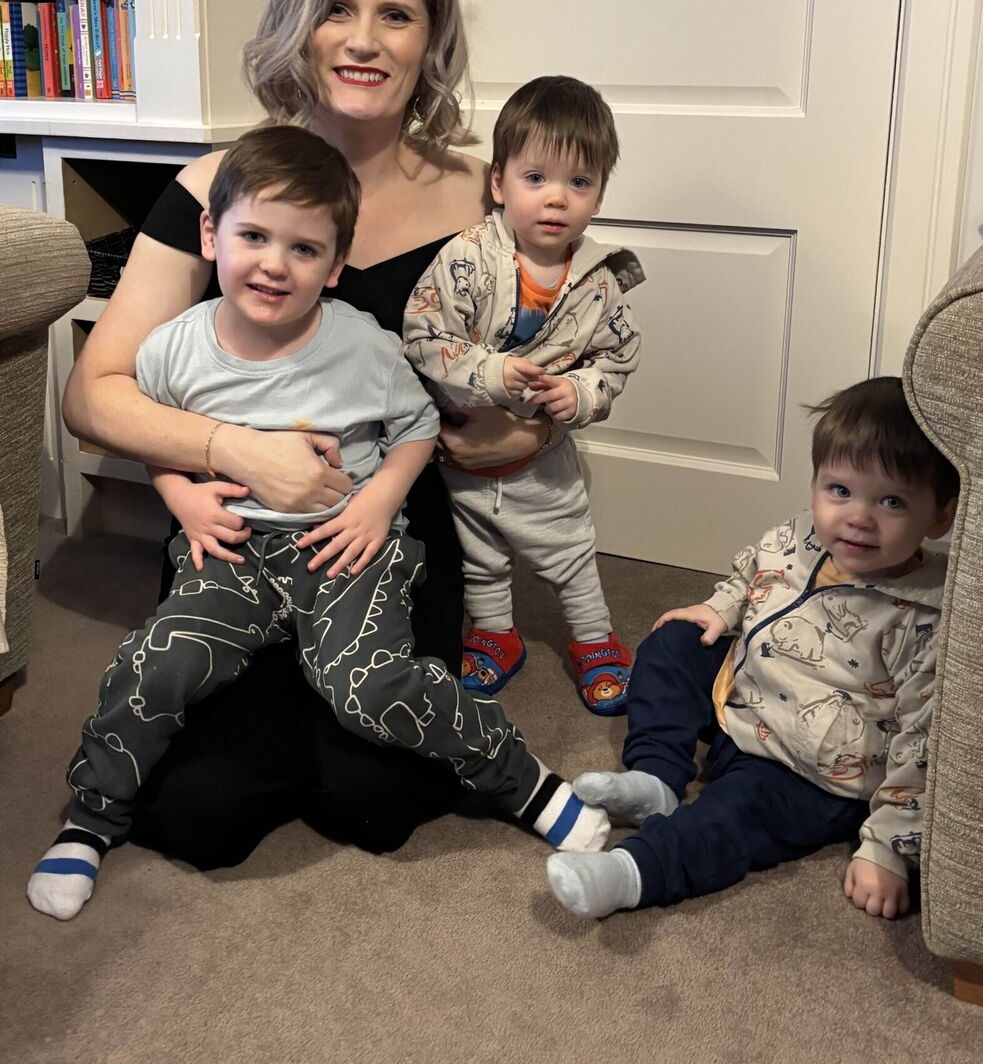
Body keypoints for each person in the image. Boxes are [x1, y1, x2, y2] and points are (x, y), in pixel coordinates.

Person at [59, 0, 552, 867]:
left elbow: (545, 362)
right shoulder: (216, 188)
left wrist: (522, 434)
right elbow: (93, 395)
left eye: (395, 16)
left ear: (430, 42)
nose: (364, 40)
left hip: (382, 531)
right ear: (299, 26)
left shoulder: (486, 196)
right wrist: (236, 451)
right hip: (232, 530)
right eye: (337, 9)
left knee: (374, 799)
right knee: (198, 814)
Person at [28, 127, 610, 921]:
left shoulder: (361, 344)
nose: (274, 264)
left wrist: (378, 502)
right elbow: (149, 431)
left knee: (366, 688)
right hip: (230, 549)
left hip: (345, 547)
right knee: (158, 664)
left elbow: (416, 428)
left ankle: (527, 784)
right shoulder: (171, 349)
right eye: (254, 237)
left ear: (335, 266)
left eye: (303, 249)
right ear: (211, 235)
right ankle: (90, 820)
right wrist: (179, 495)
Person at [546, 376, 959, 919]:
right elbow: (755, 573)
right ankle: (656, 776)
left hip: (809, 772)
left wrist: (888, 846)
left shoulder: (926, 619)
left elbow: (923, 744)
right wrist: (721, 609)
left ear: (941, 515)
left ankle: (636, 871)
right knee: (673, 642)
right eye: (839, 491)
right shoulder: (800, 537)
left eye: (891, 501)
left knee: (731, 814)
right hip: (743, 702)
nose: (858, 517)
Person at [403, 76, 642, 715]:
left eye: (579, 183)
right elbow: (422, 336)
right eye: (535, 178)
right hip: (462, 458)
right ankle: (496, 636)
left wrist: (582, 393)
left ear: (598, 195)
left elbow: (617, 359)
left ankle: (595, 642)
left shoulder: (599, 282)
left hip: (543, 463)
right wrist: (487, 371)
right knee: (480, 557)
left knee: (570, 555)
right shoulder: (467, 258)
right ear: (499, 183)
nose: (556, 198)